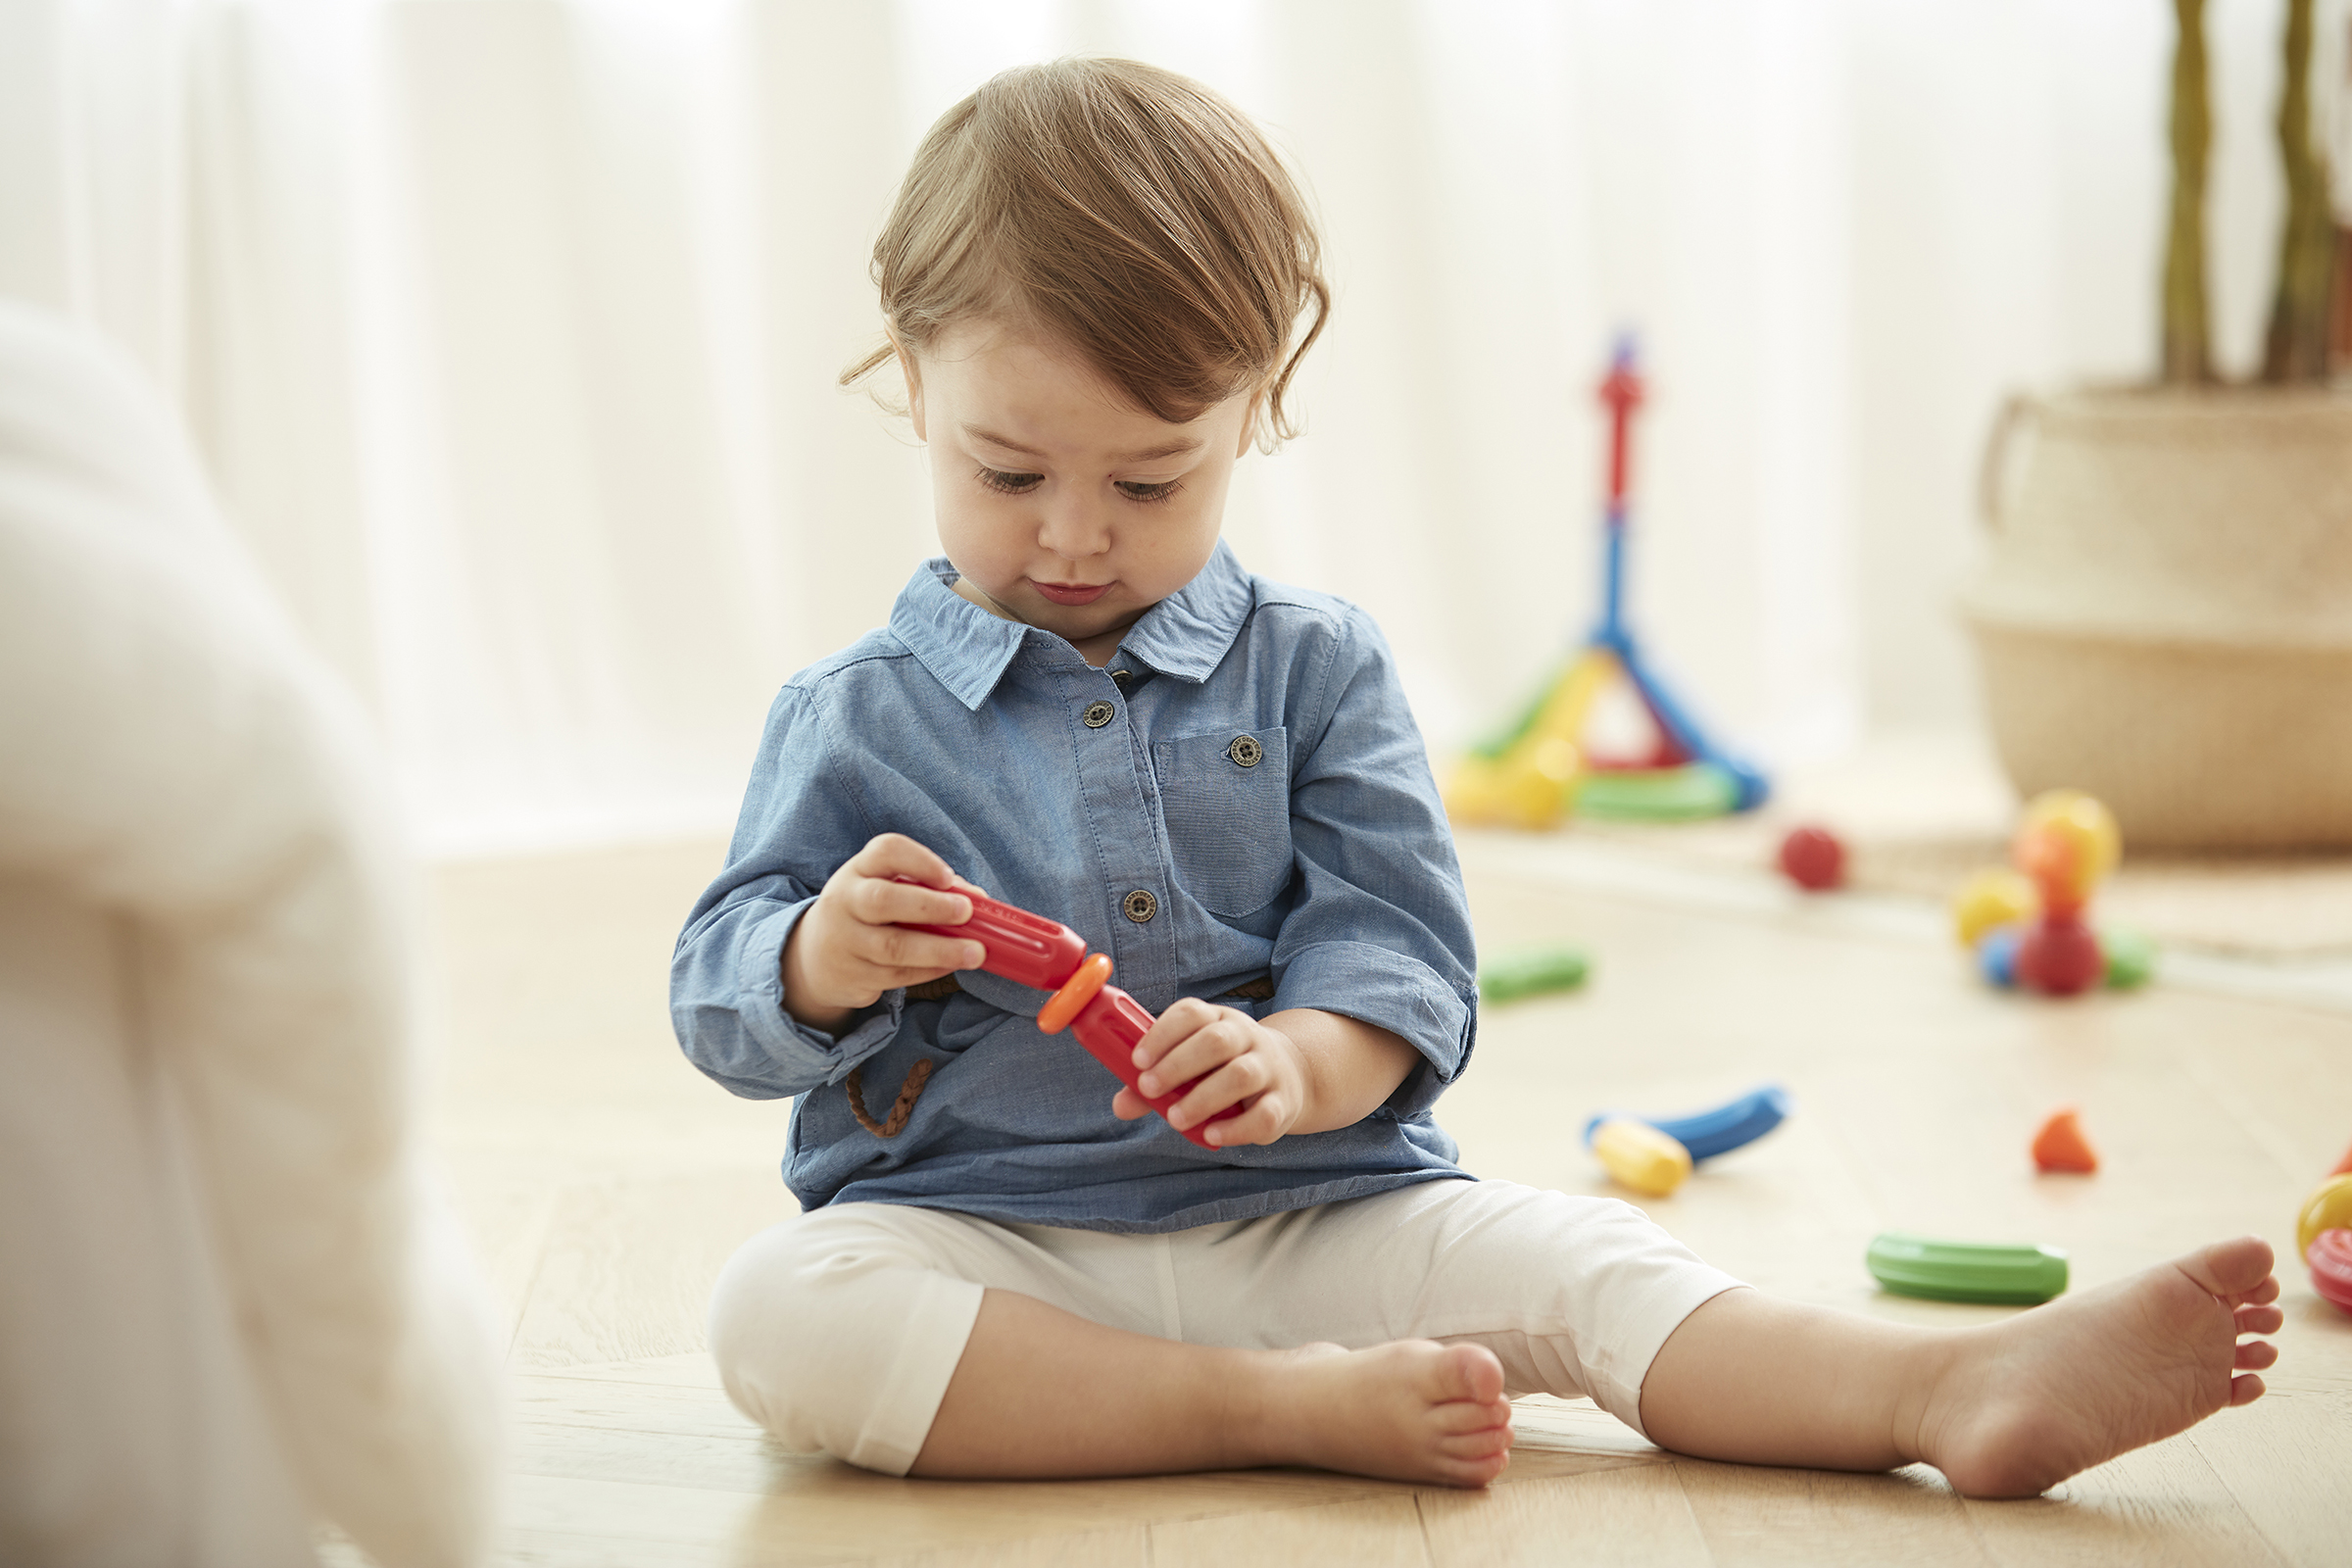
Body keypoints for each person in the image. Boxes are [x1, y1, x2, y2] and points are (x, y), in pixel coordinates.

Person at [669, 57, 2280, 1494]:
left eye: (1153, 478)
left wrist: (1299, 1061)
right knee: (779, 1315)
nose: (1077, 534)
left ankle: (1942, 1386)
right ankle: (1255, 1412)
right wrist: (815, 957)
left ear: (1257, 408)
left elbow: (1397, 947)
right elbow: (720, 996)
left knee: (1583, 1261)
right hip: (993, 1251)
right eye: (1008, 472)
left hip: (1323, 1218)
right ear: (913, 381)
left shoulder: (1317, 669)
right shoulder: (854, 714)